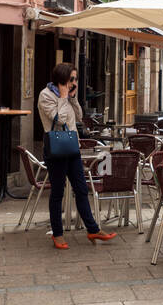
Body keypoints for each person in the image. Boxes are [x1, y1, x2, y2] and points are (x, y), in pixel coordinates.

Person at [36, 63, 117, 249]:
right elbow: (59, 120)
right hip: (55, 150)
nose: (74, 82)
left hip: (72, 148)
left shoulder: (67, 97)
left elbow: (79, 116)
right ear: (62, 78)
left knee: (81, 189)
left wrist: (72, 99)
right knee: (57, 192)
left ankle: (93, 228)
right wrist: (63, 98)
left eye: (75, 79)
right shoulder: (45, 95)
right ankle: (57, 234)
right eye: (71, 79)